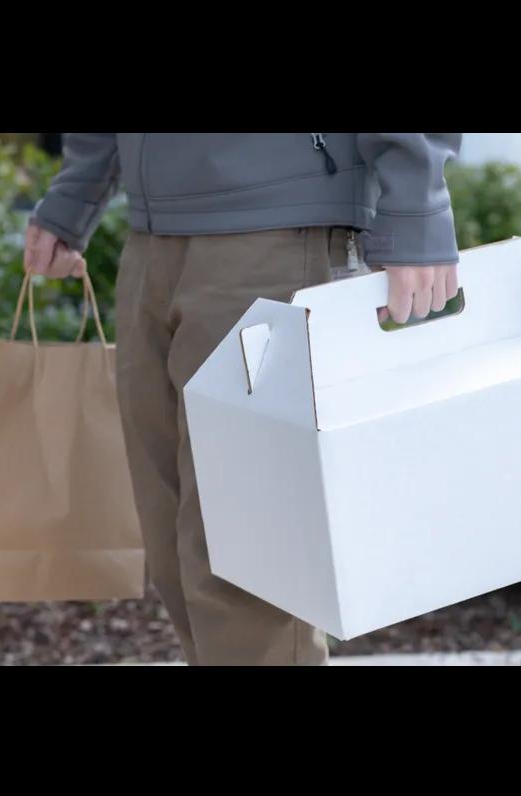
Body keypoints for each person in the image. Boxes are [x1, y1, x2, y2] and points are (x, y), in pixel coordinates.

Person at [24, 133, 463, 666]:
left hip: (273, 227)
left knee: (242, 563)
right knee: (174, 552)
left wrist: (417, 208)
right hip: (151, 239)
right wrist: (76, 193)